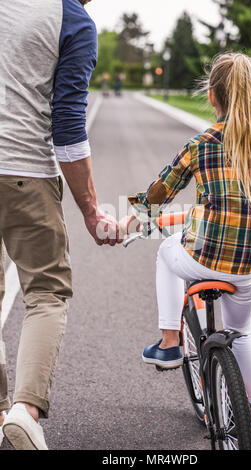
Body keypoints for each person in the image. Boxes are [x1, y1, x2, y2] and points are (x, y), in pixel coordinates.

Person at [120, 52, 251, 440]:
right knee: (244, 329)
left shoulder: (201, 144)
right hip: (250, 267)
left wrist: (135, 215)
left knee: (167, 254)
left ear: (212, 98)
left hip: (203, 260)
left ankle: (169, 342)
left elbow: (160, 191)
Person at [0, 0, 120, 451]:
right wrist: (91, 210)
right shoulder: (72, 20)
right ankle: (25, 411)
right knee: (46, 292)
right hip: (23, 170)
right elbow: (68, 126)